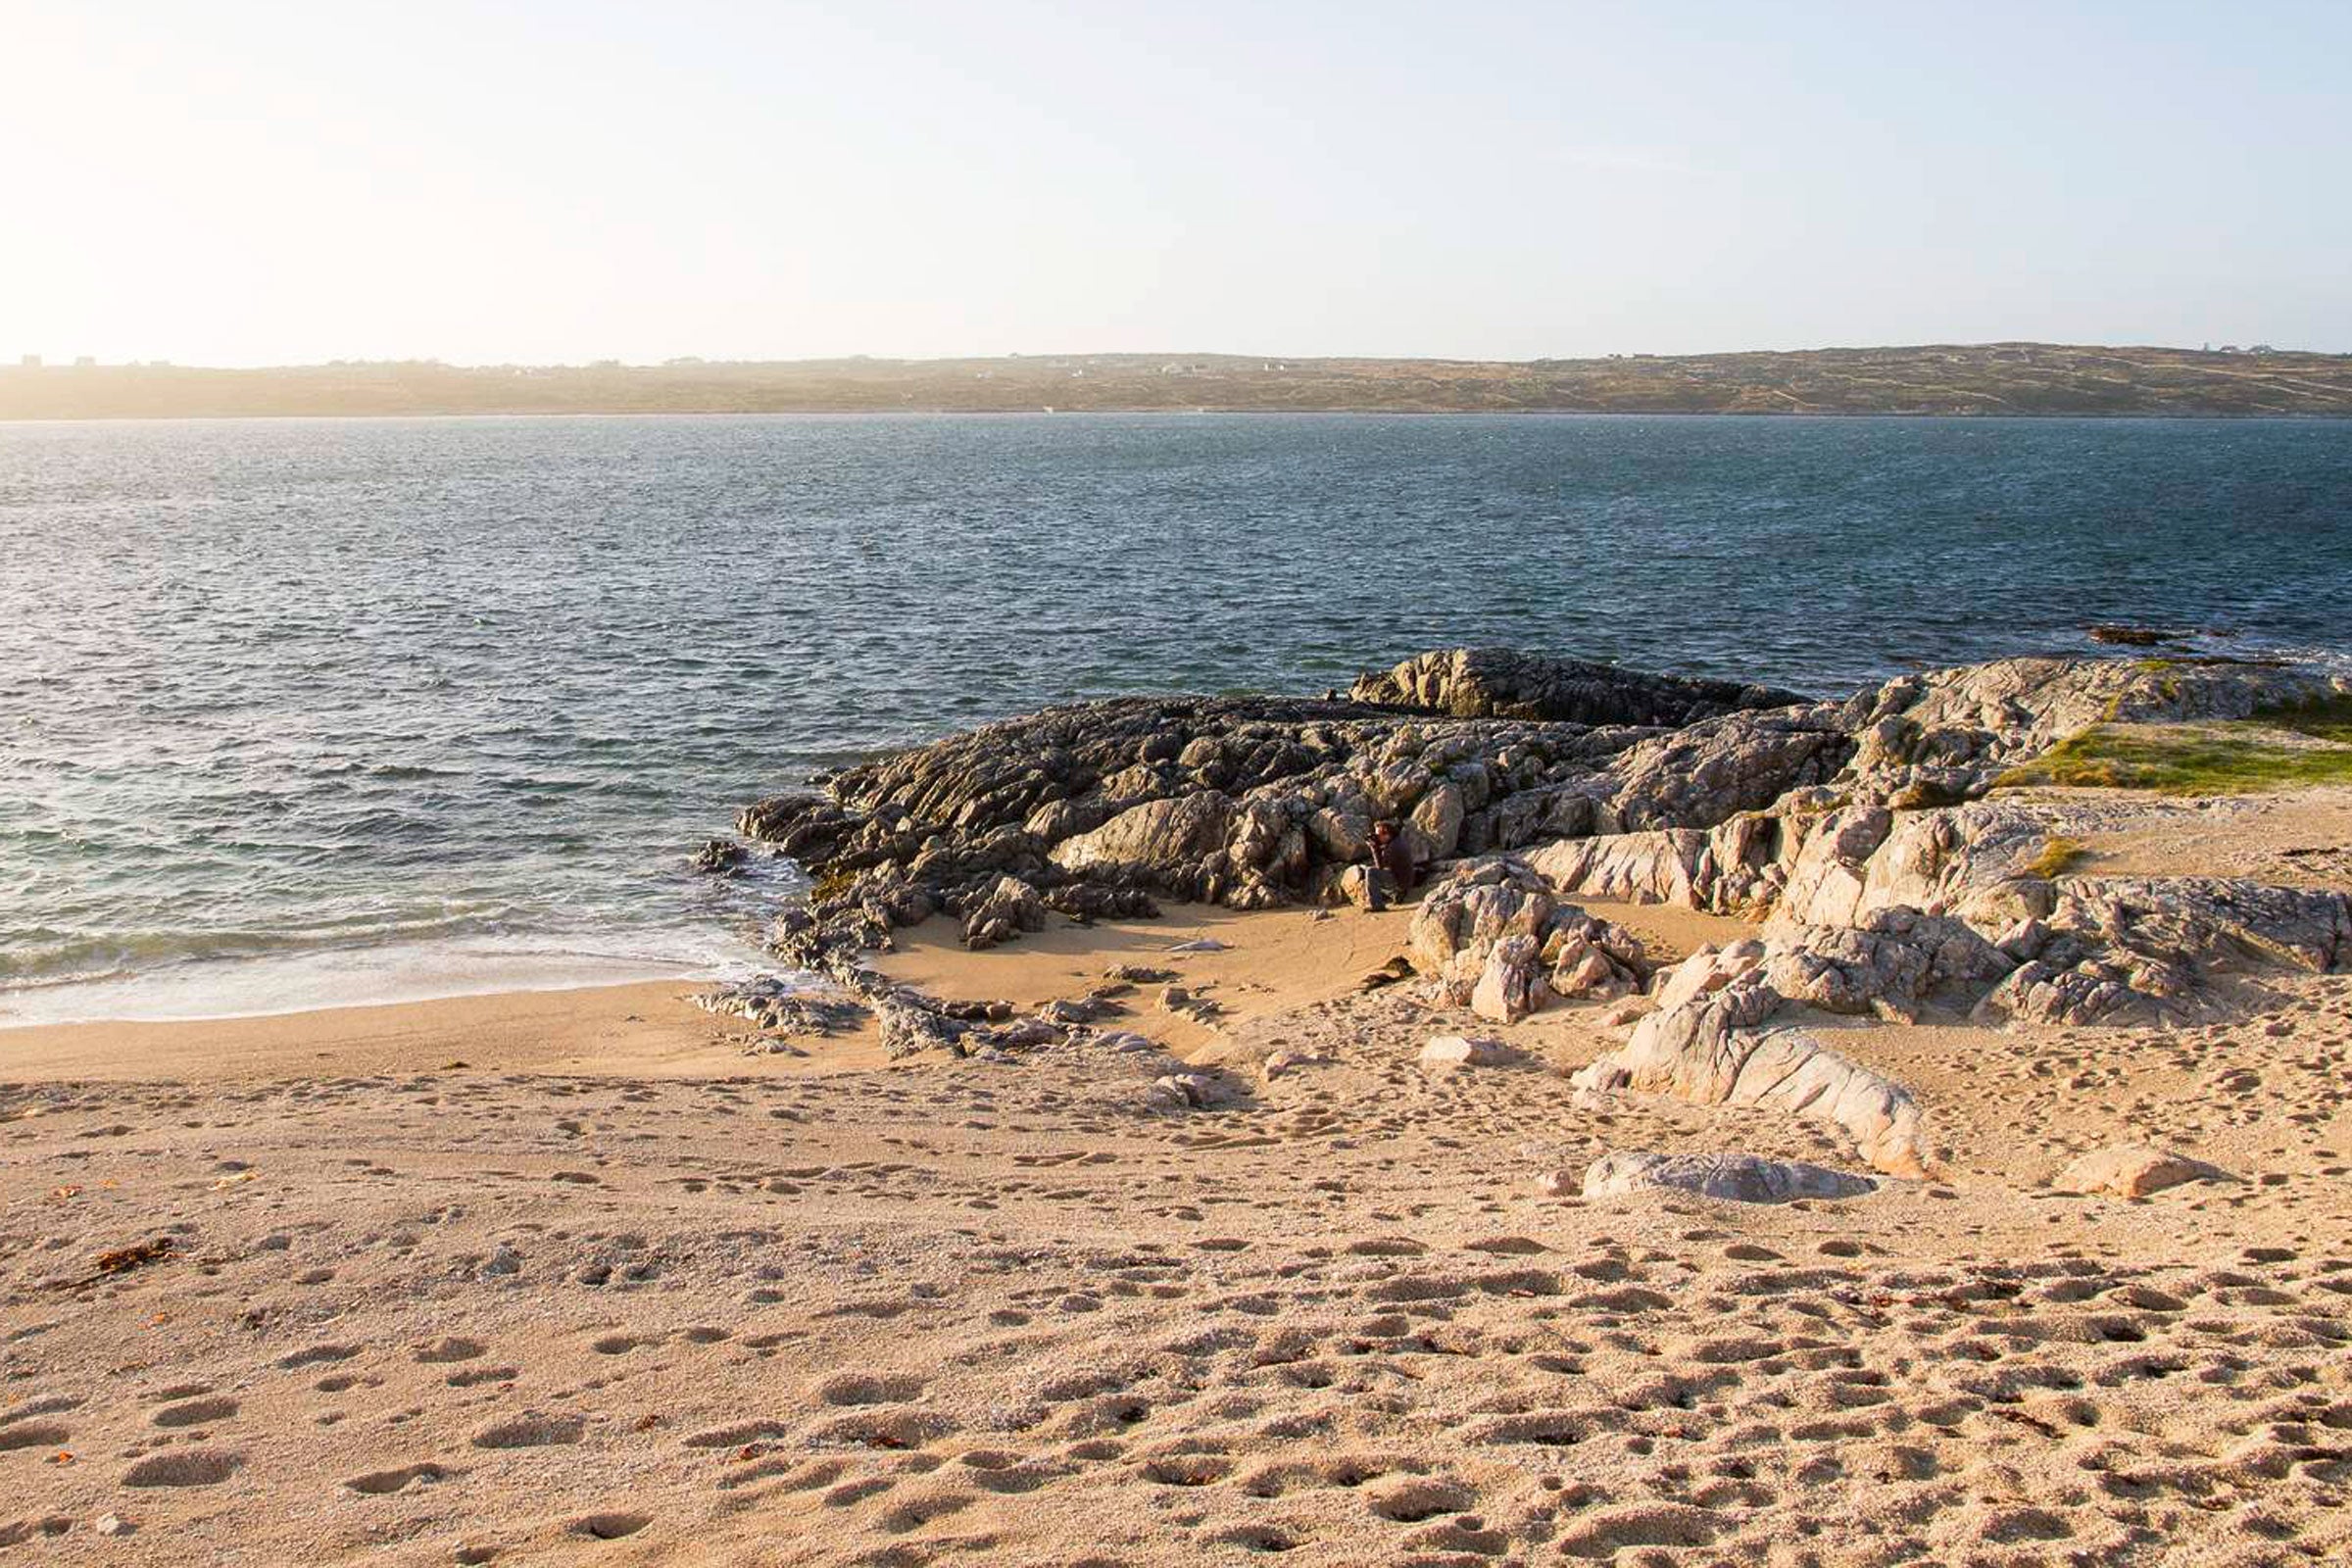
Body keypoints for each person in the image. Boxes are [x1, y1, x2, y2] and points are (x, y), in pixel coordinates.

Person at [1364, 821, 1418, 911]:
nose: (1377, 838)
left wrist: (1374, 848)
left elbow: (1380, 866)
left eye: (1378, 835)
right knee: (1371, 875)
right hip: (1404, 879)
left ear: (1387, 834)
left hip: (1400, 881)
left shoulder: (1393, 847)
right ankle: (1395, 894)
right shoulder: (1397, 841)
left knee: (1371, 872)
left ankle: (1378, 905)